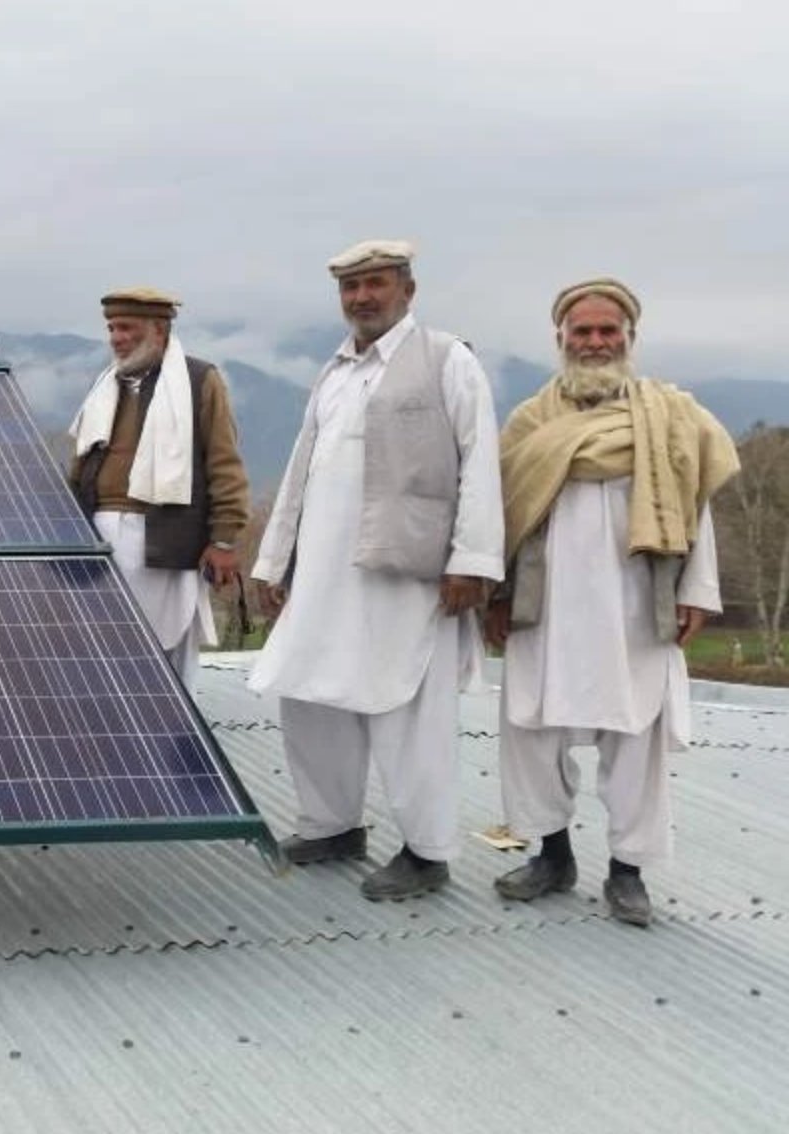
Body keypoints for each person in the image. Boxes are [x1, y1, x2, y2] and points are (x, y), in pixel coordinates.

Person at [249, 241, 503, 900]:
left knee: (406, 708)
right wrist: (274, 562)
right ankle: (331, 825)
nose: (362, 297)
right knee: (310, 694)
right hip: (322, 573)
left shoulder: (447, 359)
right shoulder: (333, 372)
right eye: (351, 287)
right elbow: (301, 471)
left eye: (375, 284)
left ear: (407, 290)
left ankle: (427, 851)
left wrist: (471, 562)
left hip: (408, 574)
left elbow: (480, 462)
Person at [485, 278, 739, 926]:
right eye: (583, 331)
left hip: (634, 605)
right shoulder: (531, 422)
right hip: (545, 607)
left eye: (608, 331)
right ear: (561, 338)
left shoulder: (670, 416)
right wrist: (495, 595)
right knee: (532, 732)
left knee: (635, 739)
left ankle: (627, 872)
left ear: (629, 337)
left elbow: (694, 509)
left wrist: (697, 591)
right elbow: (504, 516)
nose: (595, 342)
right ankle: (552, 856)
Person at [68, 287, 249, 678]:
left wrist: (224, 540)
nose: (116, 338)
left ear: (159, 330)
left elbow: (223, 463)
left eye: (126, 328)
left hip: (164, 535)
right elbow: (80, 461)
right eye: (111, 328)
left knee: (161, 660)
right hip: (98, 535)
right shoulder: (106, 384)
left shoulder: (199, 380)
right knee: (101, 652)